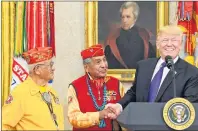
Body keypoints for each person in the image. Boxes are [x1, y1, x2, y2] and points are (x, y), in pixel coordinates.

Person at [105, 25, 198, 119]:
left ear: (181, 45)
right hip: (140, 123)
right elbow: (134, 92)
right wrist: (119, 106)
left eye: (174, 40)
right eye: (165, 40)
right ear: (157, 44)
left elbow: (189, 106)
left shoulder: (191, 73)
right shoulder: (143, 66)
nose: (169, 44)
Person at [2, 47, 64, 130]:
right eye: (50, 65)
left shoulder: (52, 92)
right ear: (37, 70)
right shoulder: (20, 94)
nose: (53, 68)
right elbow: (4, 125)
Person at [67, 44, 125, 130]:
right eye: (98, 62)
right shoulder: (75, 86)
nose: (104, 65)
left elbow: (126, 112)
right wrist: (98, 115)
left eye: (104, 60)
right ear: (86, 67)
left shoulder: (116, 83)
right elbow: (73, 118)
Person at [104, 2, 155, 69]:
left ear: (135, 18)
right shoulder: (113, 37)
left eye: (128, 17)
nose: (124, 20)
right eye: (123, 17)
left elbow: (151, 60)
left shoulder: (144, 35)